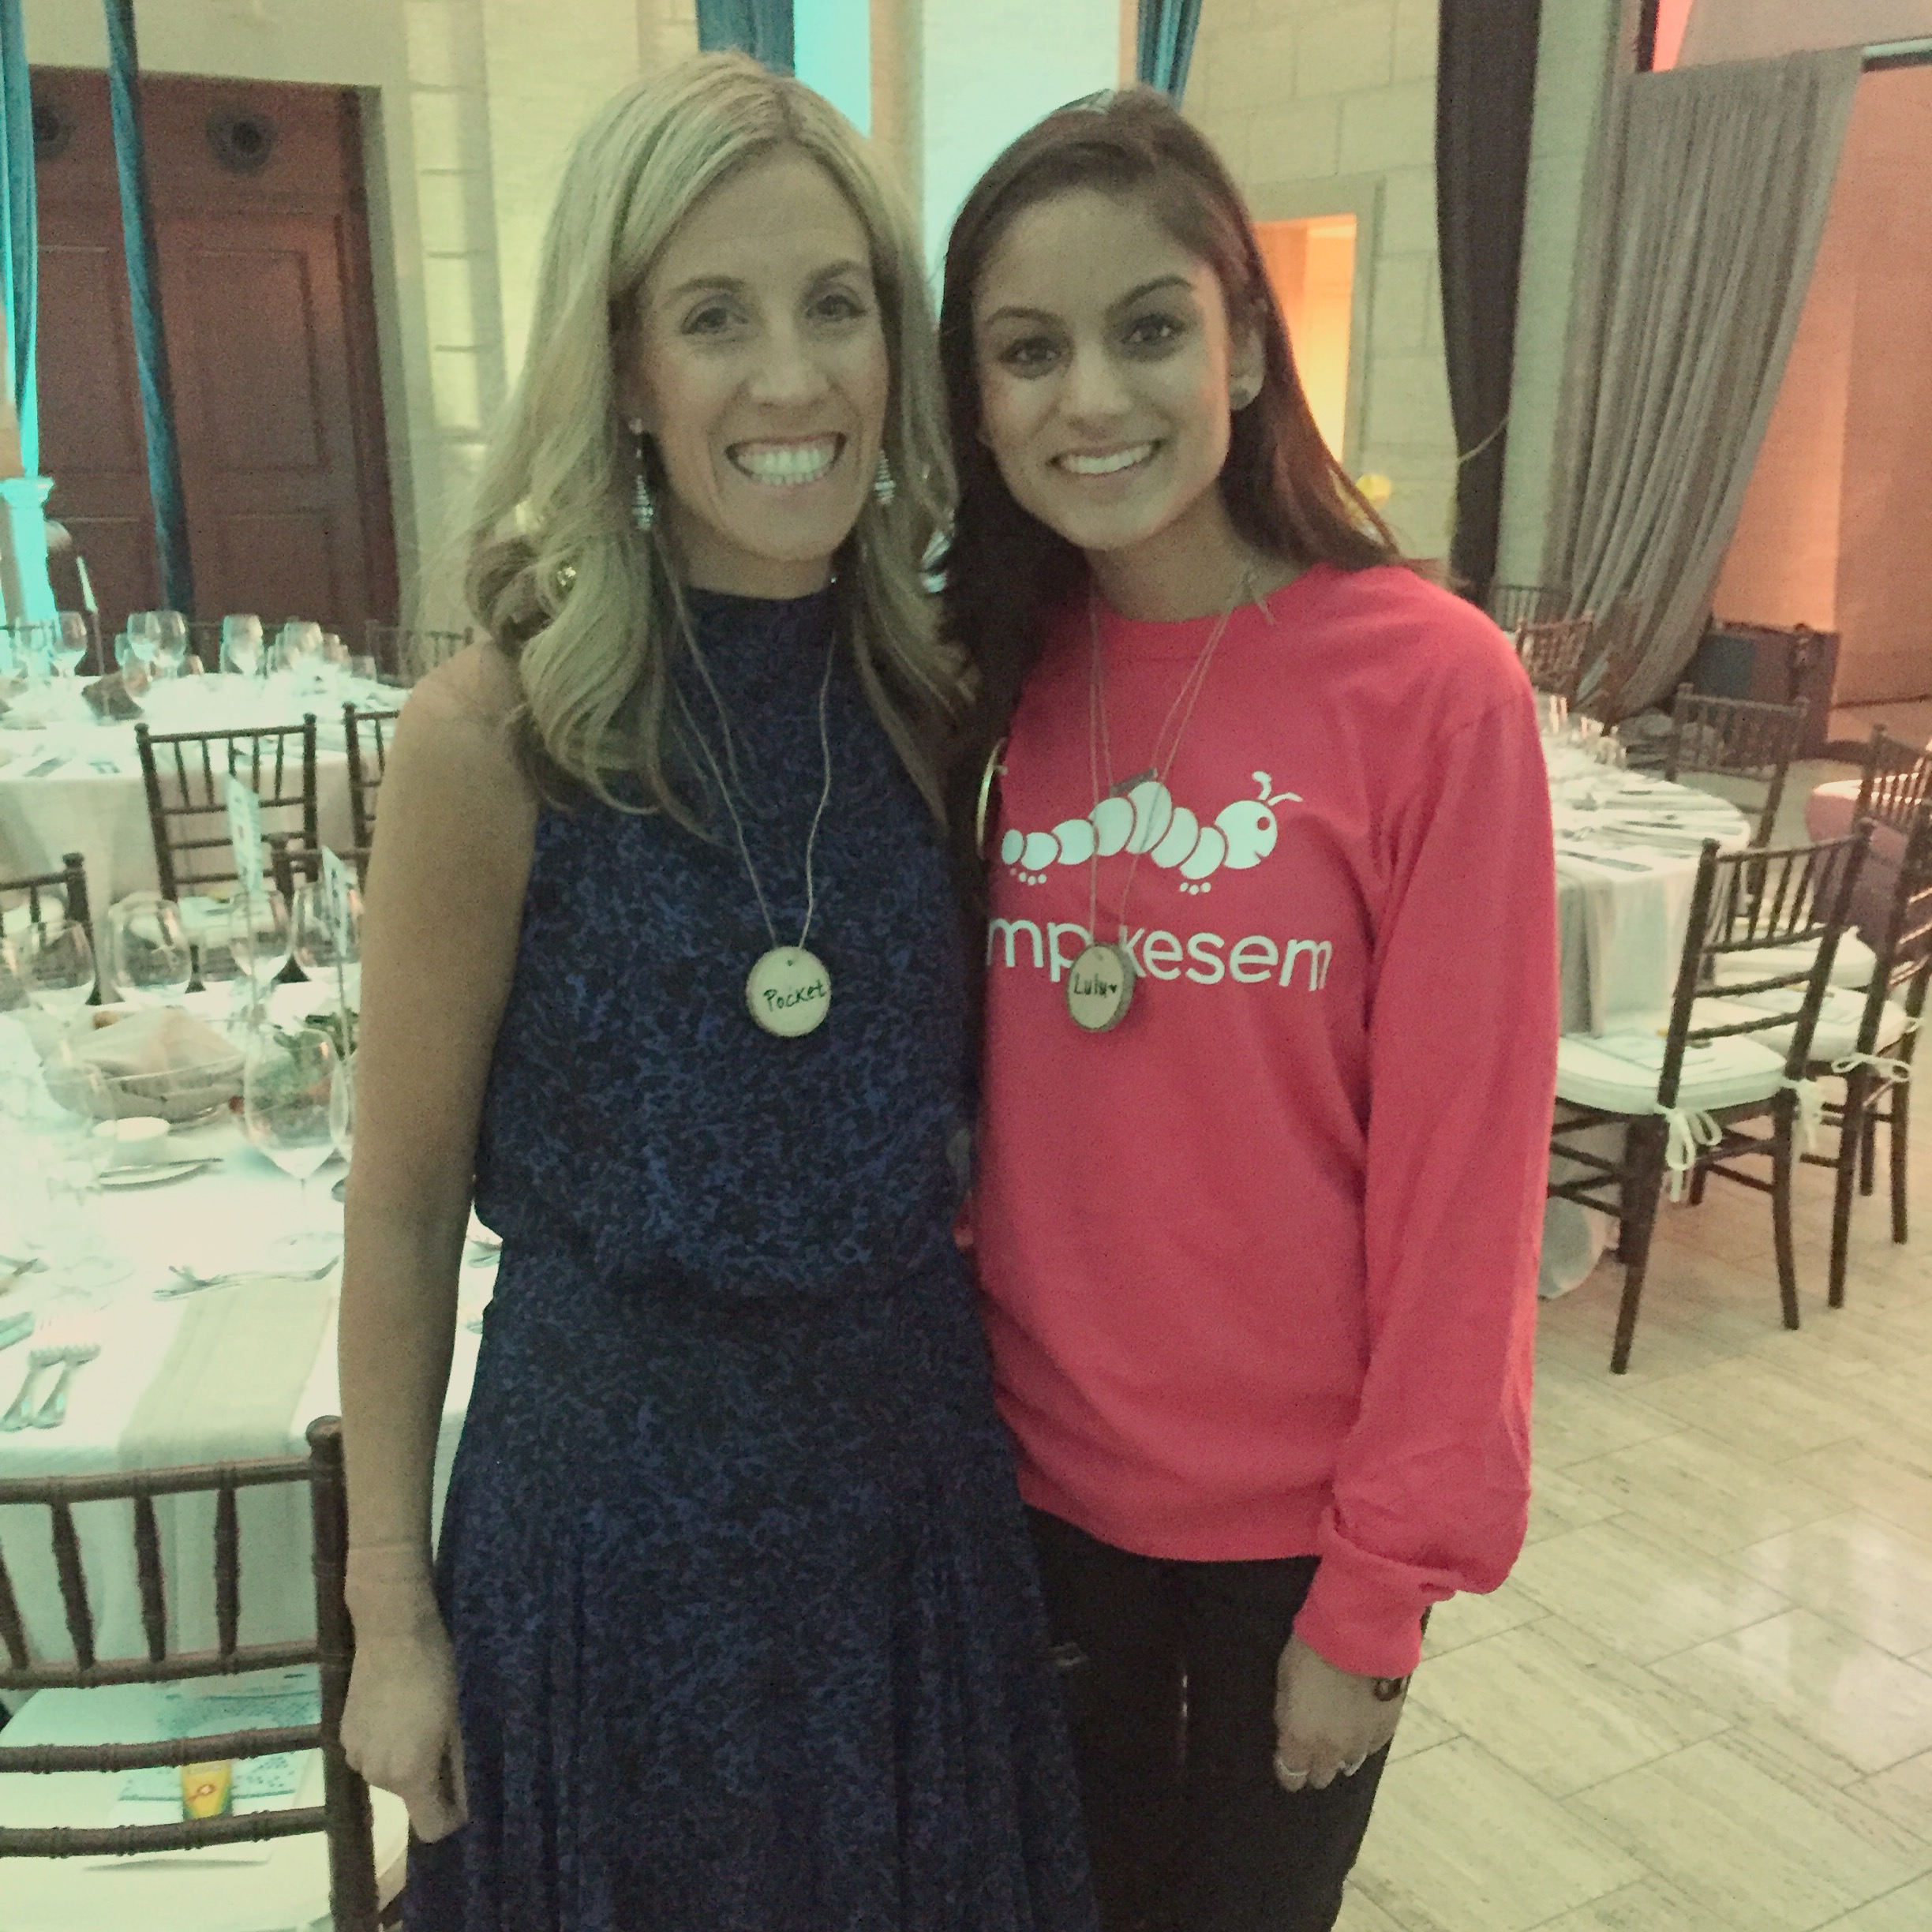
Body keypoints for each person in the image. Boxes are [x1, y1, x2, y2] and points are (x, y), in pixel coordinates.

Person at [337, 55, 1095, 1932]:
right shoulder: (493, 740)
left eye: (836, 305)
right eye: (713, 317)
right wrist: (391, 1617)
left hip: (903, 1515)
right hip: (599, 1543)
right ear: (624, 370)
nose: (789, 377)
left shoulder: (941, 703)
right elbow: (404, 1204)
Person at [938, 91, 1558, 1932]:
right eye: (1027, 351)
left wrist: (1380, 1591)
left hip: (1294, 1540)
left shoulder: (1432, 689)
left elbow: (1468, 1189)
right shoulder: (981, 679)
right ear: (975, 400)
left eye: (1149, 329)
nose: (1093, 399)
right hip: (1021, 1503)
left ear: (1247, 345)